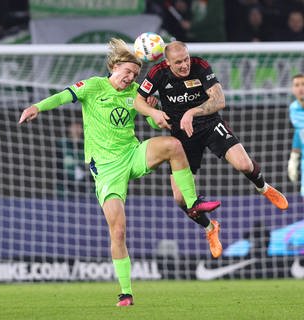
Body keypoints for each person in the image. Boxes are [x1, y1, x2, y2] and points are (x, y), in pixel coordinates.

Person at [18, 38, 221, 307]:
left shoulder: (136, 93)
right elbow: (62, 96)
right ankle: (126, 293)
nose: (130, 77)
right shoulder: (93, 86)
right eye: (127, 71)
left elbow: (154, 121)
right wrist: (36, 107)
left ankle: (194, 203)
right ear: (114, 66)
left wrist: (156, 113)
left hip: (132, 155)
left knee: (173, 145)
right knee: (118, 230)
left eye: (135, 74)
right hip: (106, 169)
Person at [134, 40, 289, 225]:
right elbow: (138, 101)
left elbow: (219, 100)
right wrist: (153, 112)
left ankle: (263, 187)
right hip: (183, 133)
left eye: (186, 59)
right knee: (180, 198)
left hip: (210, 123)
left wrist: (192, 112)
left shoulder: (200, 66)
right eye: (178, 62)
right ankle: (209, 227)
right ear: (167, 62)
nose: (184, 65)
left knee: (244, 165)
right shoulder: (157, 72)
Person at [56, 121, 87, 197]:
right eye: (74, 126)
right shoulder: (61, 144)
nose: (77, 129)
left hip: (85, 188)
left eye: (79, 126)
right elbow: (58, 169)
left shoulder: (87, 143)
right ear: (69, 128)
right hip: (66, 189)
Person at [288, 74, 304, 196]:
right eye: (297, 85)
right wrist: (294, 158)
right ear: (293, 89)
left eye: (303, 84)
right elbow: (300, 133)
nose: (300, 88)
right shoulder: (293, 108)